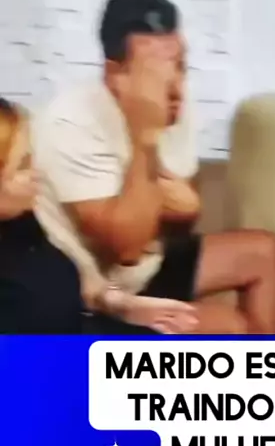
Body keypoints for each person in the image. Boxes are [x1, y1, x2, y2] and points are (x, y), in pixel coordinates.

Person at [33, 0, 275, 335]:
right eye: (155, 72)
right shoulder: (69, 124)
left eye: (180, 66)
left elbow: (178, 217)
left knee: (264, 251)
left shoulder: (177, 105)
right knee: (233, 326)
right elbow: (126, 250)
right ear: (115, 73)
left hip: (148, 265)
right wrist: (145, 139)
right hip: (101, 292)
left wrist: (187, 214)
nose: (176, 88)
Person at [0, 98, 198, 335]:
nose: (36, 175)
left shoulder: (20, 221)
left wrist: (116, 303)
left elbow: (64, 283)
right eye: (22, 166)